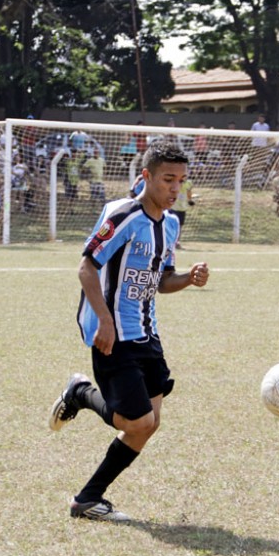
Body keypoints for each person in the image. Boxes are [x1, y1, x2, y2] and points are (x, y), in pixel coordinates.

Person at [47, 140, 210, 522]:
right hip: (114, 335)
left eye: (181, 181)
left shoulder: (169, 224)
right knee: (134, 422)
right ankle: (82, 393)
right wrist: (104, 320)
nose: (175, 188)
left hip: (147, 334)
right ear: (146, 177)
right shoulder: (123, 215)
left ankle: (87, 499)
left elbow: (161, 280)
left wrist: (188, 278)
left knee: (149, 425)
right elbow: (87, 267)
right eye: (168, 179)